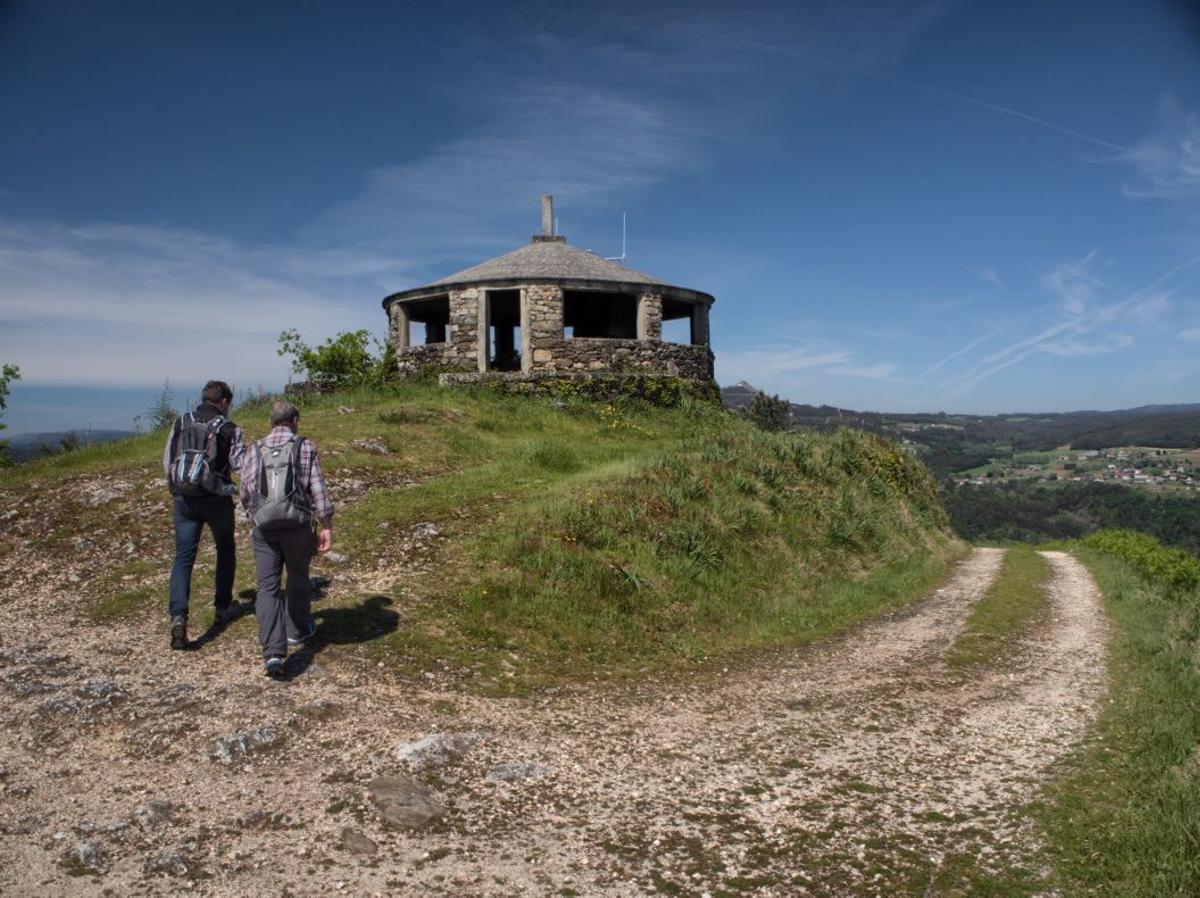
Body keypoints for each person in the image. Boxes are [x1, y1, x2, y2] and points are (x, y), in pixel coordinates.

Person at [239, 399, 334, 678]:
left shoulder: (254, 448)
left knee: (267, 587)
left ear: (271, 422)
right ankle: (298, 630)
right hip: (298, 525)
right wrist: (326, 524)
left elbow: (245, 491)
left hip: (265, 528)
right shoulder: (304, 446)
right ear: (295, 420)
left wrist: (254, 515)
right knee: (297, 575)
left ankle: (273, 654)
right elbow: (317, 488)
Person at [163, 380, 245, 649]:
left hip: (185, 499)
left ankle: (178, 616)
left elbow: (168, 460)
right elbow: (239, 463)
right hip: (217, 499)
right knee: (225, 550)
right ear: (224, 402)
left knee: (184, 557)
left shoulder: (181, 422)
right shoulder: (229, 428)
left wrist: (177, 488)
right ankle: (222, 607)